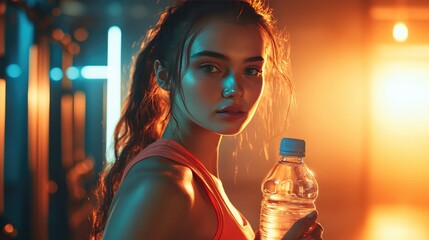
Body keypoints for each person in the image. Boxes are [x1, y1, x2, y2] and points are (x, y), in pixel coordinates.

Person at [91, 0, 323, 239]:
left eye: (251, 70)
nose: (235, 89)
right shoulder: (165, 184)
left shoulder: (196, 179)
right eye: (210, 67)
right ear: (164, 75)